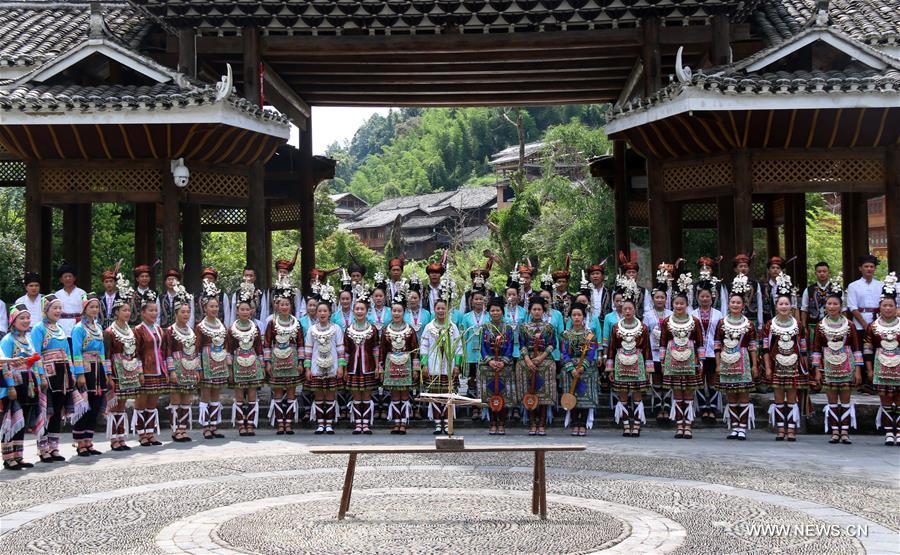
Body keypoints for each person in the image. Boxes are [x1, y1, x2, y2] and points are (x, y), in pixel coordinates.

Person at [32, 293, 86, 462]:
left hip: (62, 377)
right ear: (45, 309)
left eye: (59, 308)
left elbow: (68, 353)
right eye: (54, 308)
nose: (58, 311)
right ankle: (43, 448)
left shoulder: (61, 329)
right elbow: (36, 354)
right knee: (46, 411)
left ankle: (54, 447)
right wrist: (40, 376)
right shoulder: (38, 329)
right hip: (48, 376)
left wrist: (71, 372)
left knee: (57, 411)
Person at [811, 279, 862, 444]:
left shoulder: (850, 325)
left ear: (841, 306)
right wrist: (817, 370)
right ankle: (835, 431)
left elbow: (856, 348)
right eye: (829, 304)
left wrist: (859, 370)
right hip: (828, 366)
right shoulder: (820, 325)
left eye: (835, 304)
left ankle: (845, 432)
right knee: (832, 401)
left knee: (845, 400)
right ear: (825, 306)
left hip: (847, 365)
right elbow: (816, 349)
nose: (832, 306)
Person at [659, 272, 705, 439]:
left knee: (689, 394)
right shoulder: (666, 322)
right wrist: (663, 362)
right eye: (676, 303)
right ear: (673, 304)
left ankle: (689, 426)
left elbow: (700, 343)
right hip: (673, 360)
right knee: (677, 394)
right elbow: (663, 342)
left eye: (681, 304)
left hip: (690, 360)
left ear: (687, 305)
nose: (679, 306)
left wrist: (701, 362)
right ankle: (680, 425)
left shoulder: (695, 321)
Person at [762, 273, 807, 442]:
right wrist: (767, 367)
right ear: (776, 305)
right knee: (779, 398)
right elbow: (765, 348)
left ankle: (792, 429)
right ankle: (781, 428)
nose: (783, 306)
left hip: (794, 366)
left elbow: (803, 348)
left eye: (786, 303)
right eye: (781, 303)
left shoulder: (798, 325)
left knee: (792, 399)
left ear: (791, 306)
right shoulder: (769, 325)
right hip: (776, 365)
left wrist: (804, 367)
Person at [604, 277, 652, 437]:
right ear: (621, 309)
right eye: (625, 309)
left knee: (637, 395)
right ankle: (626, 425)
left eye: (630, 309)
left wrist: (648, 368)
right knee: (623, 394)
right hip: (620, 363)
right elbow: (611, 348)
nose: (627, 311)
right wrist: (610, 368)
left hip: (637, 363)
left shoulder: (643, 327)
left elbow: (647, 349)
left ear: (635, 309)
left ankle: (637, 425)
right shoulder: (616, 327)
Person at [715, 275, 759, 440]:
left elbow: (753, 346)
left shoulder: (749, 324)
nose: (735, 305)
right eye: (732, 302)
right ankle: (734, 427)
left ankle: (742, 427)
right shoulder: (722, 323)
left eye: (738, 303)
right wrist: (718, 364)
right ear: (729, 304)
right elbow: (717, 344)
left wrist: (754, 365)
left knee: (743, 395)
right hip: (726, 360)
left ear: (743, 305)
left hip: (743, 360)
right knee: (731, 395)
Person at [1, 304, 43, 470]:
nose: (26, 321)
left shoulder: (29, 338)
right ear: (13, 320)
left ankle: (19, 455)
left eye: (27, 318)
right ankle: (8, 457)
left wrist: (39, 380)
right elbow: (4, 365)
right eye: (21, 318)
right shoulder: (7, 340)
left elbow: (35, 360)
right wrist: (10, 386)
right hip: (14, 384)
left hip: (28, 382)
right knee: (10, 419)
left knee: (22, 419)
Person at [103, 274, 140, 451]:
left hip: (128, 369)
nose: (127, 313)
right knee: (115, 405)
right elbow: (107, 354)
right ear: (116, 312)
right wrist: (108, 375)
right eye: (124, 310)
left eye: (128, 310)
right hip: (116, 371)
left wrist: (137, 370)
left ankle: (121, 437)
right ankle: (113, 439)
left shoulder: (131, 331)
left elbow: (135, 352)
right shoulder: (109, 332)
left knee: (123, 405)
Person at [264, 276, 305, 435]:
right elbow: (267, 343)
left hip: (293, 360)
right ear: (277, 306)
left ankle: (288, 423)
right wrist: (267, 362)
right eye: (282, 304)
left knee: (291, 393)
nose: (284, 307)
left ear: (291, 306)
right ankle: (280, 423)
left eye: (287, 304)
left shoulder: (297, 323)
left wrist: (301, 362)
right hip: (276, 360)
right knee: (278, 393)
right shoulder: (272, 323)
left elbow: (301, 343)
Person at [420, 283, 463, 435]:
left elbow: (458, 348)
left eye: (443, 308)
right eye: (438, 308)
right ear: (434, 309)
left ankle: (448, 422)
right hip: (433, 366)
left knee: (448, 394)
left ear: (447, 310)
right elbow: (424, 347)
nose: (440, 311)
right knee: (436, 395)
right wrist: (424, 365)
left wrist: (457, 365)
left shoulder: (452, 327)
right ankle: (438, 424)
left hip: (449, 367)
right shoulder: (429, 327)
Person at [863, 272, 900, 445]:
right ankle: (888, 432)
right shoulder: (873, 326)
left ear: (895, 307)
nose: (887, 308)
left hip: (899, 366)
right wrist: (869, 369)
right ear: (880, 306)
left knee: (899, 401)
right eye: (884, 305)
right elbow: (868, 349)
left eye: (890, 305)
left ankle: (898, 431)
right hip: (881, 365)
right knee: (885, 400)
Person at [304, 284, 345, 434]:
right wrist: (308, 368)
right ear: (316, 313)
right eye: (319, 310)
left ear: (329, 313)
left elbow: (341, 349)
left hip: (332, 366)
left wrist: (341, 367)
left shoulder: (336, 329)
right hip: (316, 366)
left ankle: (329, 423)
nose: (322, 313)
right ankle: (321, 423)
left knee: (330, 394)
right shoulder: (311, 330)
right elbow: (308, 350)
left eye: (325, 311)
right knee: (319, 395)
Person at [163, 282, 201, 443]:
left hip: (190, 367)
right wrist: (171, 371)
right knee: (176, 399)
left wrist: (198, 369)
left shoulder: (191, 330)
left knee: (187, 399)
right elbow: (167, 352)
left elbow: (195, 351)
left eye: (188, 312)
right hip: (177, 368)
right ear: (176, 313)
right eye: (182, 312)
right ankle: (175, 430)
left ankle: (183, 429)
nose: (185, 315)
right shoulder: (170, 331)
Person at [228, 281, 266, 436]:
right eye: (242, 309)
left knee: (252, 395)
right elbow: (229, 350)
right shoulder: (232, 329)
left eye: (247, 309)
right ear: (237, 311)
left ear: (251, 311)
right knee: (238, 396)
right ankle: (240, 425)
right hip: (237, 364)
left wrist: (262, 366)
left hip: (253, 365)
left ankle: (250, 424)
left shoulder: (255, 328)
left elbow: (259, 348)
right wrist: (230, 369)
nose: (245, 312)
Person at [70, 293, 106, 456]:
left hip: (98, 368)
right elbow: (76, 352)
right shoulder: (78, 328)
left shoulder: (98, 327)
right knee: (84, 406)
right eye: (91, 306)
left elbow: (103, 351)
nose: (94, 309)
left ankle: (89, 440)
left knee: (96, 404)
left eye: (97, 307)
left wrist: (107, 371)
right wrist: (80, 374)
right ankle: (80, 443)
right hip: (86, 369)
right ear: (84, 308)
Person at [379, 288, 419, 435]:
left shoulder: (410, 330)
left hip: (406, 365)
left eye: (399, 311)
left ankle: (404, 422)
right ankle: (396, 422)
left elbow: (416, 350)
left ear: (404, 312)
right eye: (394, 311)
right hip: (391, 365)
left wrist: (416, 369)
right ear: (391, 312)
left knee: (405, 394)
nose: (396, 313)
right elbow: (382, 351)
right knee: (395, 394)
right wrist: (381, 368)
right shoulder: (385, 330)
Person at [516, 295, 557, 436]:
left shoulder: (549, 327)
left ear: (543, 311)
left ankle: (542, 423)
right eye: (534, 309)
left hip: (544, 359)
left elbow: (552, 344)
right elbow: (521, 345)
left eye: (539, 309)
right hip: (528, 360)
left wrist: (541, 357)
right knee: (529, 390)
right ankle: (532, 422)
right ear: (529, 311)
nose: (537, 312)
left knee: (544, 391)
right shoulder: (523, 327)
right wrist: (527, 359)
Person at [343, 284, 380, 434]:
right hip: (353, 367)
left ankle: (366, 423)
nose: (359, 311)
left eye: (362, 309)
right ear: (353, 311)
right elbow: (345, 351)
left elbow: (376, 349)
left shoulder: (373, 329)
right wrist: (344, 368)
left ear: (366, 311)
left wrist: (378, 366)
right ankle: (358, 423)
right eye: (357, 309)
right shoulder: (349, 330)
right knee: (356, 396)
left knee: (366, 395)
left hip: (369, 366)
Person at [196, 278, 229, 440]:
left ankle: (214, 425)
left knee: (216, 394)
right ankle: (205, 426)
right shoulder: (200, 326)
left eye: (216, 306)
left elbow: (226, 344)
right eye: (211, 306)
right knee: (206, 394)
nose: (214, 309)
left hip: (219, 361)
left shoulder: (222, 324)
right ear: (205, 308)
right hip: (206, 361)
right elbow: (196, 348)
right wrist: (199, 368)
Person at [560, 302, 599, 436]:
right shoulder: (566, 334)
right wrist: (571, 369)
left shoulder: (590, 335)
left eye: (579, 315)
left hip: (586, 370)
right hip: (570, 369)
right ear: (570, 317)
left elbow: (592, 352)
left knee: (585, 396)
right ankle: (575, 422)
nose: (576, 317)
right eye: (574, 315)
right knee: (572, 394)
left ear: (584, 317)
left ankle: (583, 423)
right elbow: (564, 353)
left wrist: (582, 367)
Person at [133, 289, 166, 446]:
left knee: (153, 403)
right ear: (143, 313)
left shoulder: (159, 330)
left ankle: (151, 432)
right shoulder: (138, 330)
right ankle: (141, 434)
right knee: (141, 402)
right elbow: (136, 352)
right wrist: (139, 370)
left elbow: (163, 351)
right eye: (150, 311)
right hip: (144, 370)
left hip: (157, 369)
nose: (154, 314)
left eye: (155, 311)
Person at [479, 295, 516, 435]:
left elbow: (511, 346)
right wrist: (490, 360)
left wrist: (503, 361)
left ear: (502, 312)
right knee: (490, 394)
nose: (495, 313)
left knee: (503, 394)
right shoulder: (485, 327)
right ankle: (492, 422)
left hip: (504, 364)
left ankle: (502, 422)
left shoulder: (508, 328)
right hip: (489, 364)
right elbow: (482, 346)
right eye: (492, 310)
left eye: (498, 310)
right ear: (489, 312)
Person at [847, 254, 883, 393]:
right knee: (861, 350)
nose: (869, 269)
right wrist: (864, 323)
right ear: (860, 268)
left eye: (872, 267)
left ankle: (876, 380)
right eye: (866, 266)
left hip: (877, 322)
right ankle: (862, 381)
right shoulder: (853, 286)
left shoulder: (881, 285)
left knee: (876, 350)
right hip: (859, 323)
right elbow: (852, 307)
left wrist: (875, 323)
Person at [691, 275, 723, 423]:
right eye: (702, 296)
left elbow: (721, 334)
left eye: (707, 296)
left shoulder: (718, 314)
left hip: (713, 351)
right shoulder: (692, 314)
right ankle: (703, 408)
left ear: (712, 297)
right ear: (697, 297)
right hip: (697, 352)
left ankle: (713, 408)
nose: (705, 299)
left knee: (712, 379)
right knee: (699, 379)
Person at [644, 271, 672, 425]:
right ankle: (657, 407)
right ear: (653, 299)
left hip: (669, 354)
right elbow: (644, 333)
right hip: (653, 354)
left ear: (666, 300)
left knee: (667, 379)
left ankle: (666, 408)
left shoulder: (671, 314)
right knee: (656, 379)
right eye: (657, 297)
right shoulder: (648, 315)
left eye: (662, 297)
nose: (660, 299)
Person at [718, 253, 763, 328]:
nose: (743, 268)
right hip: (732, 319)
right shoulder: (728, 286)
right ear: (735, 269)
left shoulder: (755, 284)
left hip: (751, 318)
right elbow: (724, 304)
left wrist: (760, 323)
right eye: (740, 266)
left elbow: (759, 303)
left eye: (745, 266)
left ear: (748, 268)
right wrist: (724, 320)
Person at [801, 262, 835, 340]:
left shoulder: (836, 289)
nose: (822, 274)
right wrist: (804, 327)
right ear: (815, 273)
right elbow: (804, 309)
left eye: (824, 271)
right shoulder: (808, 290)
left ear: (829, 273)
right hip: (813, 325)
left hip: (834, 325)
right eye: (819, 272)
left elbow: (843, 309)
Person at [54, 262, 86, 339]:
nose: (68, 279)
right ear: (61, 279)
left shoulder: (82, 293)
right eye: (65, 276)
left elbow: (86, 310)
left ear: (74, 278)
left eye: (70, 276)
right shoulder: (57, 294)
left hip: (78, 325)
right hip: (61, 325)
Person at [618, 251, 652, 320]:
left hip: (639, 321)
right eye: (629, 272)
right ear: (624, 274)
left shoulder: (643, 291)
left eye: (633, 272)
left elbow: (647, 309)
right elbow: (614, 308)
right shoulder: (619, 290)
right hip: (621, 322)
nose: (631, 274)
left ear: (637, 275)